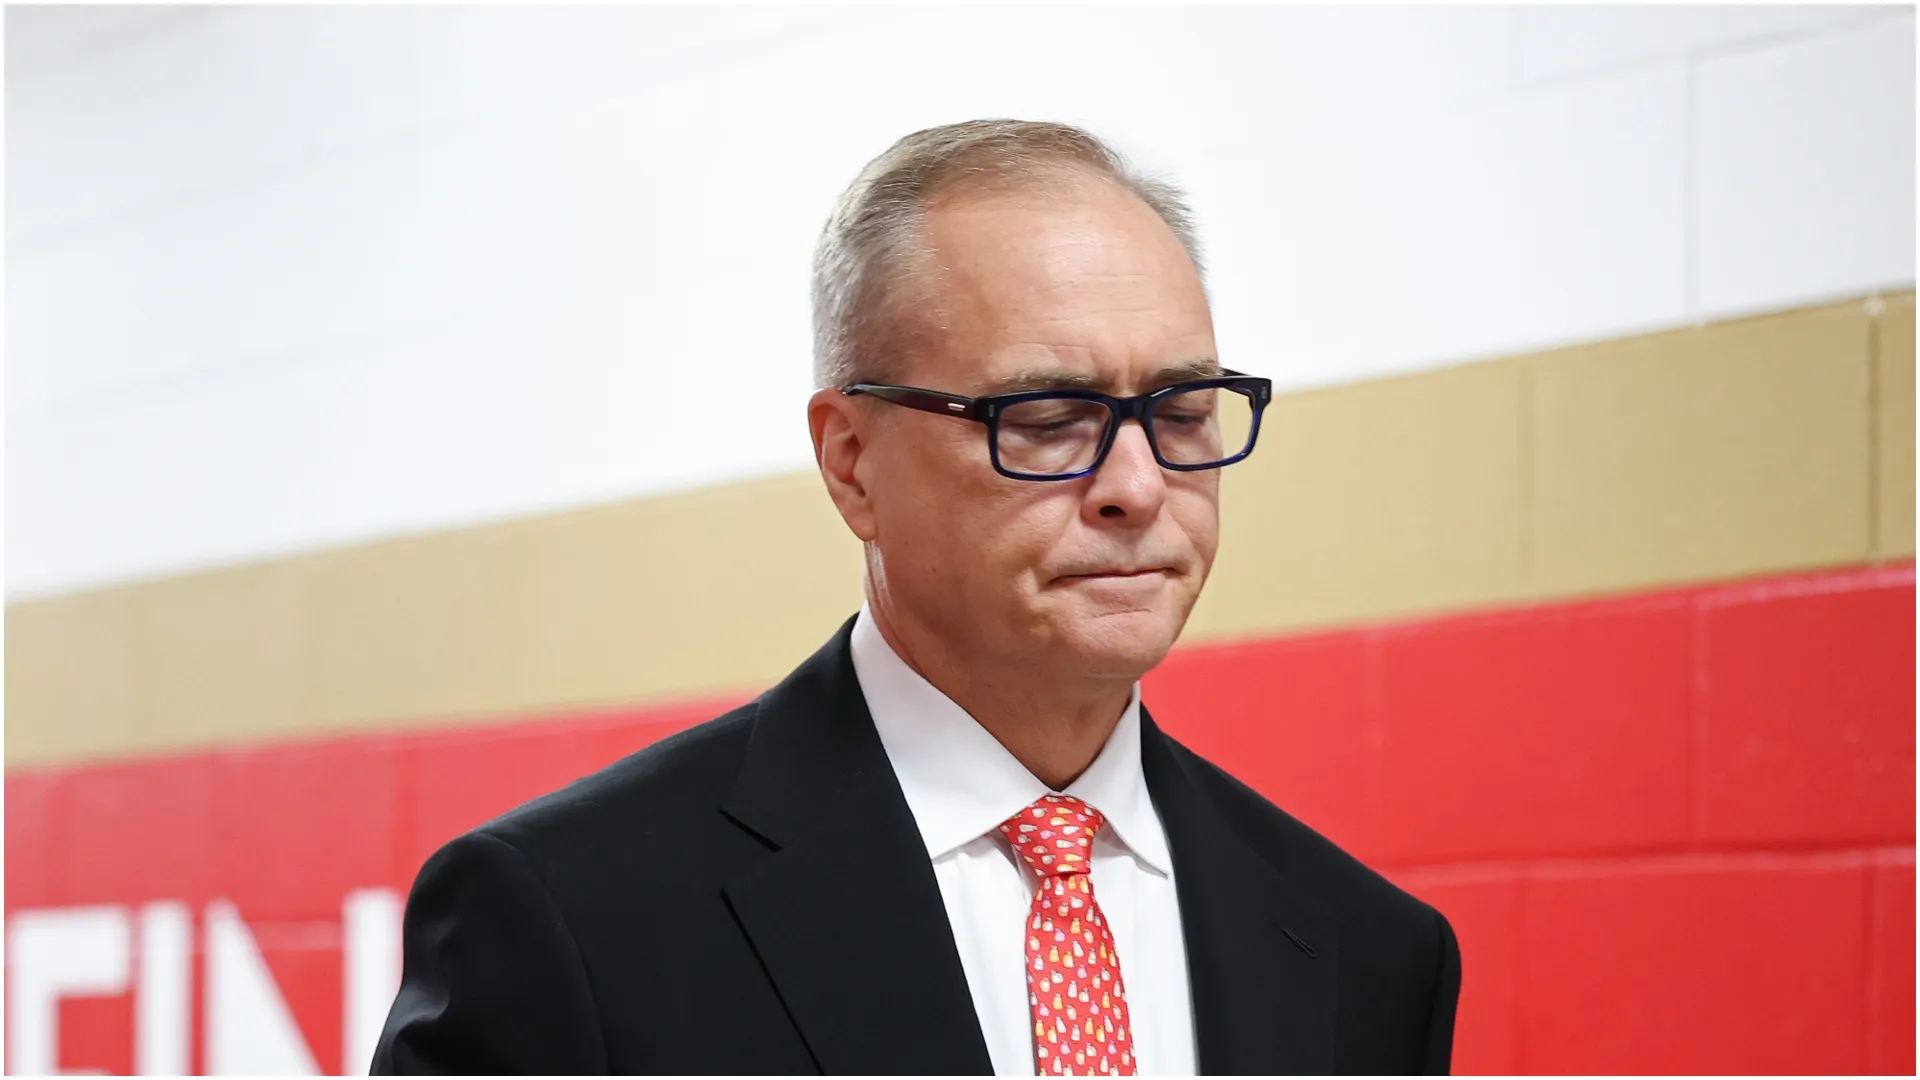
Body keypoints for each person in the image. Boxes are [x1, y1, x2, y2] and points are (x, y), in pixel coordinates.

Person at [372, 119, 1461, 1076]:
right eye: (1046, 416)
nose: (1136, 486)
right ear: (851, 462)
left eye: (1180, 410)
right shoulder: (572, 919)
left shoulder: (1370, 952)